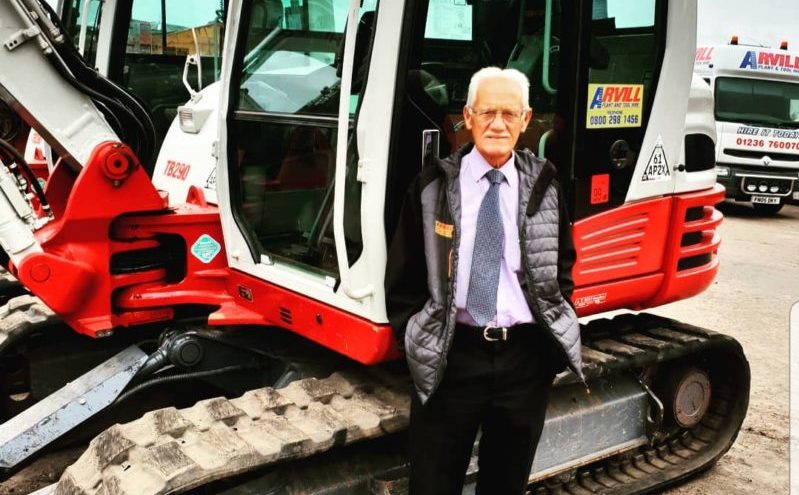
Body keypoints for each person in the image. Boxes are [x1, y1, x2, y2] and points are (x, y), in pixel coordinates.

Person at [385, 67, 583, 495]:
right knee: (432, 485)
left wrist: (546, 353)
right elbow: (403, 276)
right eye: (487, 112)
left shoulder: (545, 186)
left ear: (526, 120)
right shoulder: (431, 187)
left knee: (505, 486)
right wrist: (416, 340)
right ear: (468, 117)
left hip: (524, 361)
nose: (497, 124)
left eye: (509, 114)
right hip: (452, 358)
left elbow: (561, 267)